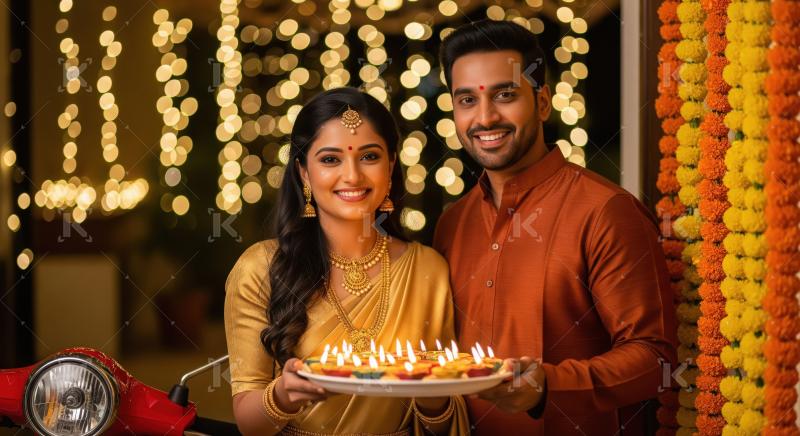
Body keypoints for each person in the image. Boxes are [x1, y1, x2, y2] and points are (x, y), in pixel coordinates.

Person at [432, 20, 678, 435]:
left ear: (543, 102)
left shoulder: (605, 210)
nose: (485, 117)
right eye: (467, 100)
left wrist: (549, 386)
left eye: (505, 95)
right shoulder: (452, 223)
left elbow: (656, 359)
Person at [224, 87, 469, 435]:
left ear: (392, 165)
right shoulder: (259, 268)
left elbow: (445, 420)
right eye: (330, 159)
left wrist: (432, 398)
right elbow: (248, 423)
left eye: (369, 157)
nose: (352, 176)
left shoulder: (428, 269)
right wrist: (282, 396)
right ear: (304, 173)